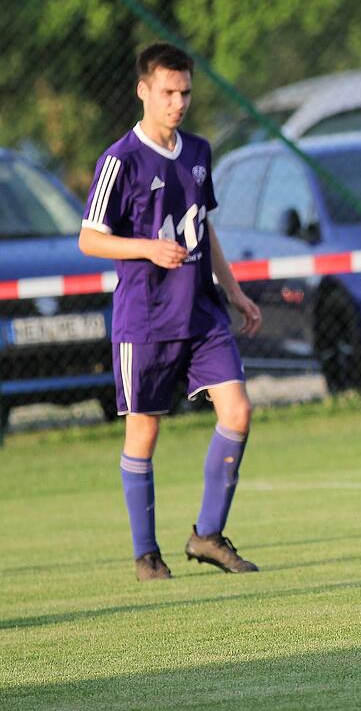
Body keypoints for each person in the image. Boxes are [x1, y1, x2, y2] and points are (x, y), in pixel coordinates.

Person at [79, 42, 262, 581]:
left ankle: (206, 535)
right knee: (145, 433)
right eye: (167, 92)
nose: (178, 102)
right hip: (147, 318)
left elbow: (203, 226)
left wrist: (234, 290)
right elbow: (90, 240)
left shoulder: (199, 151)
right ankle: (146, 555)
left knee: (239, 412)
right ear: (143, 91)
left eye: (185, 92)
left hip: (201, 312)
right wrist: (146, 248)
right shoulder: (120, 160)